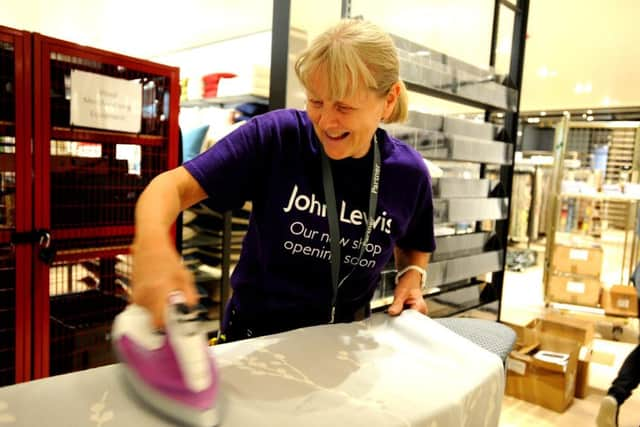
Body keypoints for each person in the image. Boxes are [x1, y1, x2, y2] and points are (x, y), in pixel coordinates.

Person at [130, 18, 435, 341]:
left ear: (388, 100)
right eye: (316, 101)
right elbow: (169, 188)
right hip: (252, 342)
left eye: (344, 107)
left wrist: (412, 275)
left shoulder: (408, 174)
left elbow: (415, 240)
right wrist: (152, 247)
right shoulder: (275, 138)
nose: (327, 121)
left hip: (343, 348)